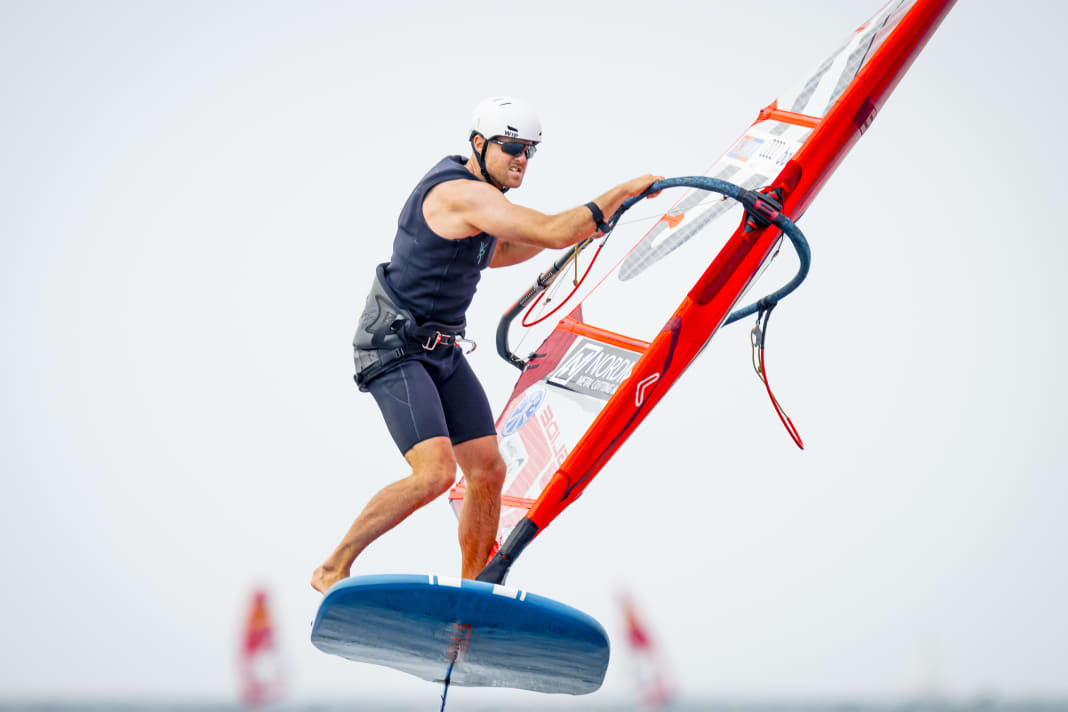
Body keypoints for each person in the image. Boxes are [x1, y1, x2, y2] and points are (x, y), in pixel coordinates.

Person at [311, 97, 661, 593]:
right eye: (511, 147)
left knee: (488, 471)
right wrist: (620, 194)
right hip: (394, 348)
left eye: (530, 151)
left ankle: (474, 590)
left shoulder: (482, 203)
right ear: (479, 144)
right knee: (434, 474)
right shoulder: (462, 194)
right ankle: (332, 567)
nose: (521, 159)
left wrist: (586, 226)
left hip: (442, 353)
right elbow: (551, 231)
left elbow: (502, 251)